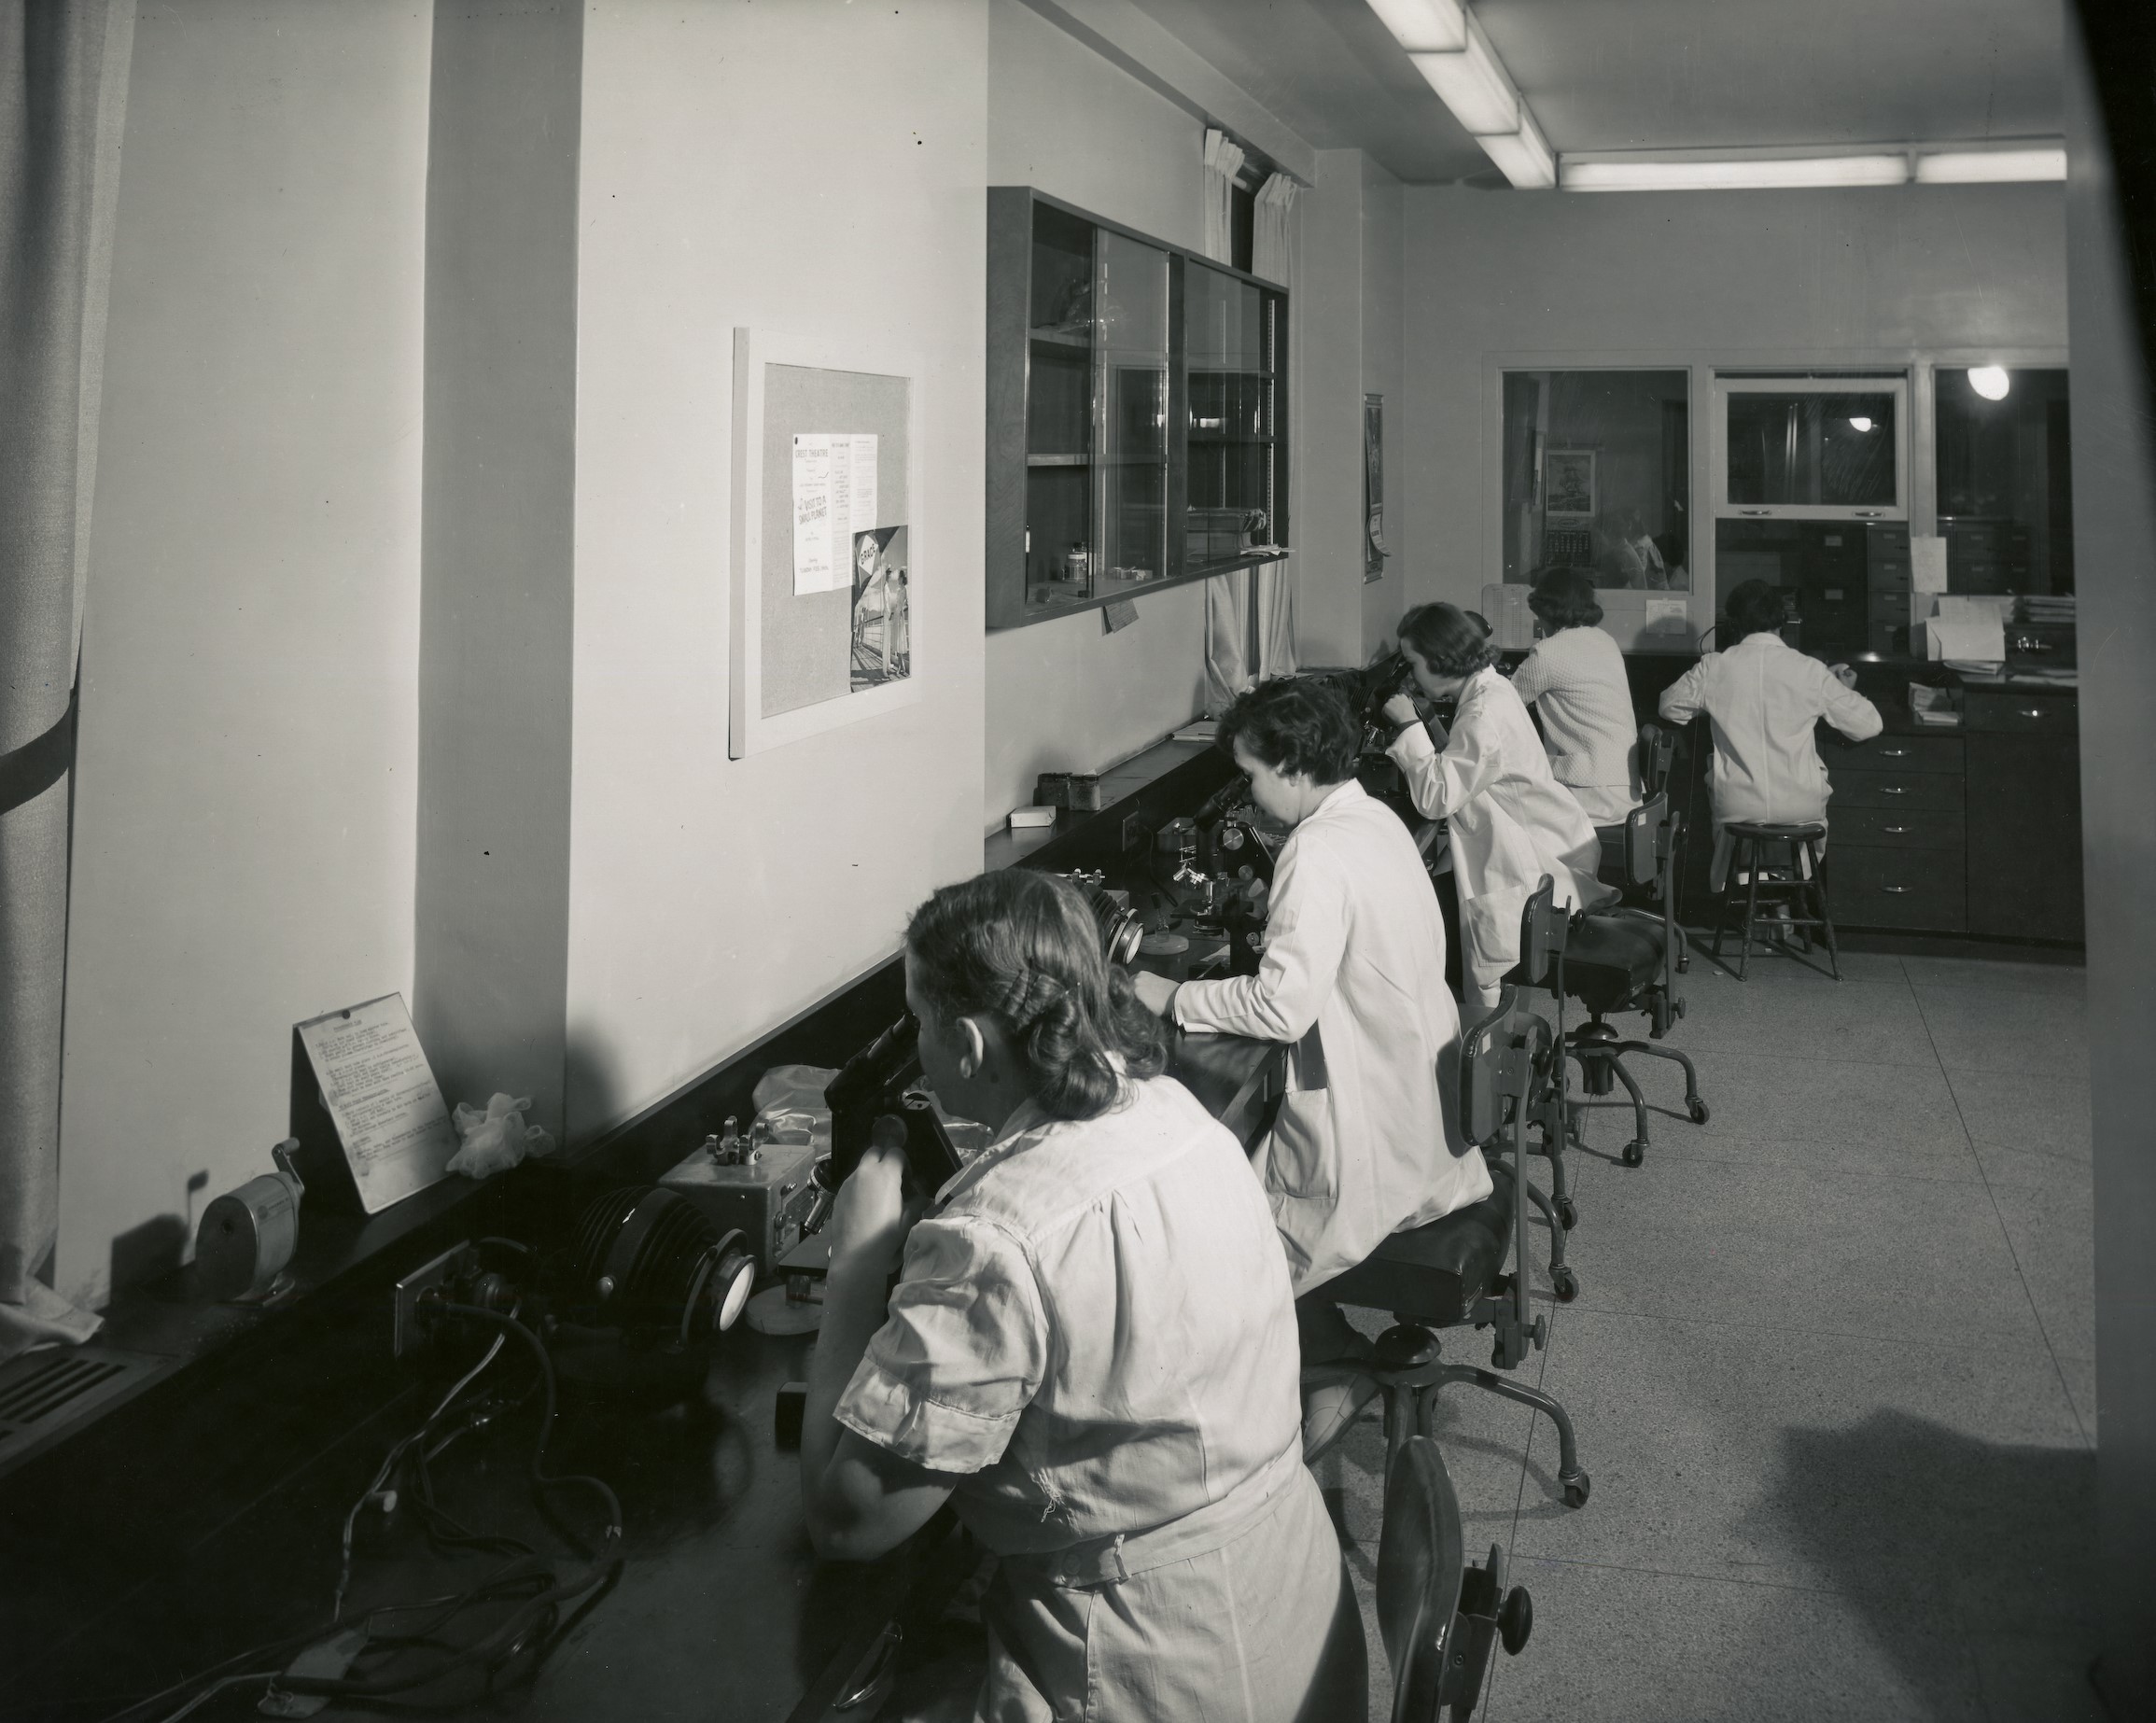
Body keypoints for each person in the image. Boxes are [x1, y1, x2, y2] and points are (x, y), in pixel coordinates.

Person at [801, 870, 1356, 1723]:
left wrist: (856, 1261)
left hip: (1157, 1668)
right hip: (1296, 1613)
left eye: (919, 1021)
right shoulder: (1179, 1116)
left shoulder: (997, 1238)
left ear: (971, 1045)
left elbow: (846, 1525)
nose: (916, 1042)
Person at [1130, 680, 1493, 1439]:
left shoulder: (1316, 848)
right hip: (1423, 1122)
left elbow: (1281, 1006)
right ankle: (1330, 1363)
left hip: (1373, 1145)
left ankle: (1324, 1370)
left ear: (1293, 767)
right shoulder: (1377, 820)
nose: (1252, 796)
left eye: (1255, 775)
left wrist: (1170, 998)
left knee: (1214, 1228)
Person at [1383, 602, 1610, 1012]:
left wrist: (1407, 725)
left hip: (1532, 867)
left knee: (1430, 933)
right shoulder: (1492, 689)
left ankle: (1479, 1056)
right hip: (1544, 845)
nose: (1412, 675)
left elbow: (1438, 798)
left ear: (1439, 659)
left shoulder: (1483, 713)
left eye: (1413, 663)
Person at [1657, 578, 1883, 890]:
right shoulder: (1809, 670)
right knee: (1796, 834)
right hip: (1800, 808)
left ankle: (1762, 891)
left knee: (1738, 826)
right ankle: (1781, 898)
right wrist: (1839, 691)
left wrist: (1715, 701)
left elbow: (1669, 707)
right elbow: (1869, 725)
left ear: (1734, 624)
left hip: (1738, 807)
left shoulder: (1715, 667)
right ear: (1782, 621)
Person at [1509, 567, 1641, 833]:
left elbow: (1504, 702)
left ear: (1546, 611)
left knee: (1505, 813)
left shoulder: (1547, 653)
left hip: (1591, 795)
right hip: (1627, 789)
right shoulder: (1605, 641)